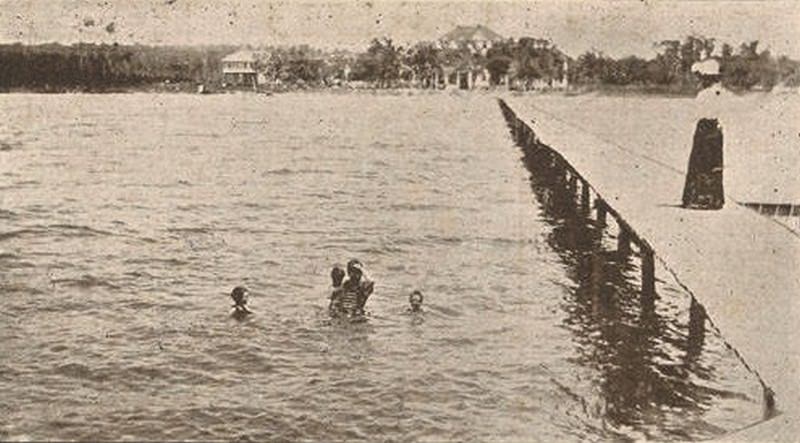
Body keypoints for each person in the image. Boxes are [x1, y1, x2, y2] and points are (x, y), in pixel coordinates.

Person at [682, 57, 728, 210]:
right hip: (716, 129)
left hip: (704, 128)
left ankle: (698, 199)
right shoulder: (721, 93)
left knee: (699, 162)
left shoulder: (703, 95)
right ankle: (714, 199)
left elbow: (694, 114)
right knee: (714, 163)